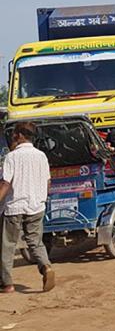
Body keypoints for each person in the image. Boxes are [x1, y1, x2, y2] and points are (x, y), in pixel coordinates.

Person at [0, 122, 55, 293]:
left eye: (14, 133)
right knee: (35, 242)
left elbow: (5, 184)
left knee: (7, 245)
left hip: (14, 206)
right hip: (36, 206)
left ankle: (7, 283)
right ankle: (46, 267)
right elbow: (48, 183)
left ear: (19, 135)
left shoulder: (12, 157)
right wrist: (41, 199)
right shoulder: (41, 156)